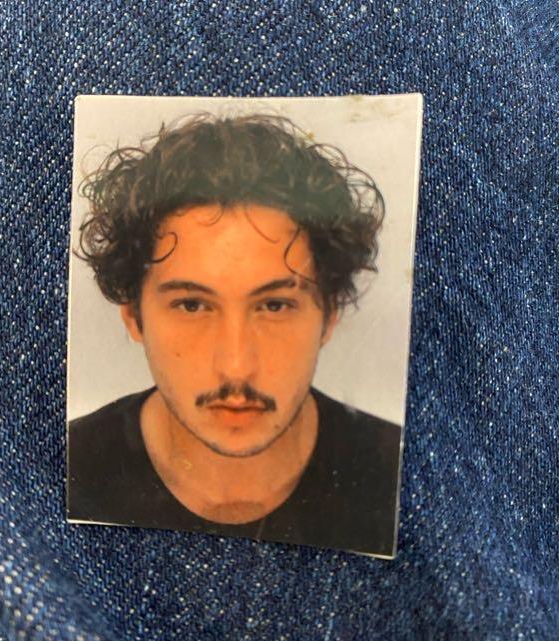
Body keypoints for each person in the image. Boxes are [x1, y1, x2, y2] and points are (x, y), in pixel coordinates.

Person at [67, 113, 402, 556]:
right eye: (192, 305)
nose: (237, 366)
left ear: (330, 314)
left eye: (274, 306)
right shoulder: (67, 468)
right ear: (133, 315)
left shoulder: (397, 474)